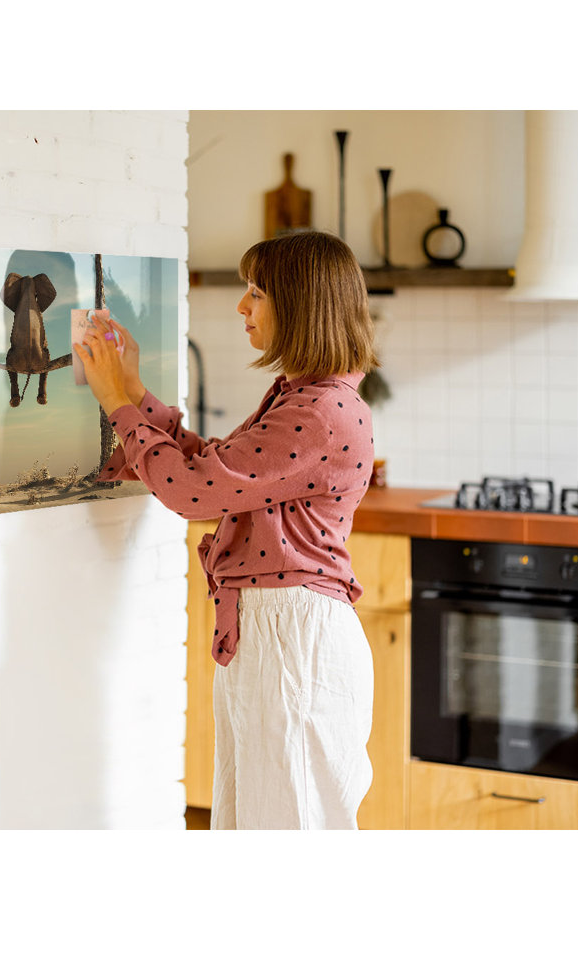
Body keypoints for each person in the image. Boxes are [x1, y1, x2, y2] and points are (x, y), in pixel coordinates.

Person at [74, 230, 378, 830]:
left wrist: (118, 405)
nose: (242, 306)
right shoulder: (304, 398)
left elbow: (194, 492)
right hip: (276, 634)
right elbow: (216, 469)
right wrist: (134, 393)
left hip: (293, 640)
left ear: (301, 304)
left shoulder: (318, 412)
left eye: (256, 292)